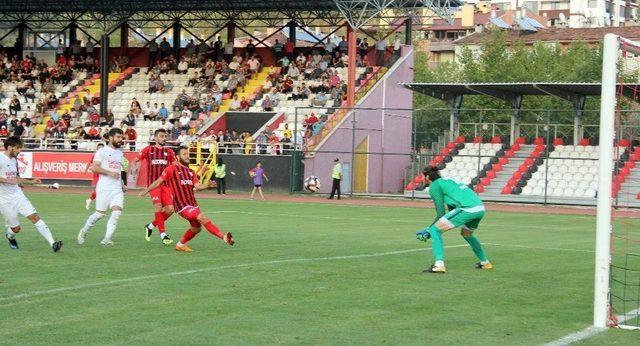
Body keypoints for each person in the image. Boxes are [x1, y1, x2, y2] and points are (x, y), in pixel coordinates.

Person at [140, 146, 234, 252]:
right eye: (184, 154)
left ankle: (180, 245)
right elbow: (158, 181)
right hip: (182, 206)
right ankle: (224, 237)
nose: (187, 156)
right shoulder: (171, 169)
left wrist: (207, 184)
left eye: (188, 154)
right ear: (177, 157)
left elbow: (198, 186)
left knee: (196, 228)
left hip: (193, 205)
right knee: (202, 218)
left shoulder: (190, 172)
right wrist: (147, 190)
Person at [415, 166, 492, 274]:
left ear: (428, 177)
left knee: (435, 230)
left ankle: (439, 265)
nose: (421, 179)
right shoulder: (448, 180)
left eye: (422, 176)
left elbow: (441, 213)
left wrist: (429, 230)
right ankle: (485, 262)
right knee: (467, 234)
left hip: (467, 208)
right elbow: (452, 206)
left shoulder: (435, 186)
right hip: (480, 208)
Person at [1, 137, 63, 252]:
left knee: (35, 217)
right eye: (18, 148)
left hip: (18, 195)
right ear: (10, 147)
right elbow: (9, 179)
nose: (20, 151)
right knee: (16, 229)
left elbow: (17, 178)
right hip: (4, 200)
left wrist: (31, 181)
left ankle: (53, 244)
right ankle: (10, 236)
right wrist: (9, 181)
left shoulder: (14, 160)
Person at [77, 128, 126, 246]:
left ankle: (107, 239)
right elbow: (94, 168)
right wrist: (110, 173)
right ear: (110, 137)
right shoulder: (102, 151)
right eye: (118, 137)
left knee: (116, 212)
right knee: (100, 214)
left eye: (121, 137)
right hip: (104, 187)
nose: (121, 140)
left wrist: (122, 183)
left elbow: (117, 170)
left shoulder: (120, 153)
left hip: (117, 189)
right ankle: (83, 231)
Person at [132, 129, 176, 244]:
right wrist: (133, 166)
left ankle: (150, 226)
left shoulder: (169, 151)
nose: (164, 138)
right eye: (161, 136)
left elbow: (176, 166)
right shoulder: (148, 150)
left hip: (166, 185)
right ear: (155, 138)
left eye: (165, 136)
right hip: (153, 185)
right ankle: (163, 235)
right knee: (158, 206)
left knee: (170, 210)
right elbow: (136, 159)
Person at [85, 142, 105, 210]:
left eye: (101, 148)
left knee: (104, 189)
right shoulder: (95, 155)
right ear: (97, 148)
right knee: (99, 190)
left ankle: (91, 200)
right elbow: (90, 163)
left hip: (104, 174)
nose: (100, 149)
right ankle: (90, 200)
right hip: (97, 175)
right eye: (99, 148)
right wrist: (86, 170)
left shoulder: (105, 155)